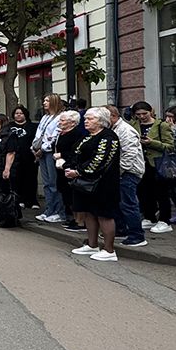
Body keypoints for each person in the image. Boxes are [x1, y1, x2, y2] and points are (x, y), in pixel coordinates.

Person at [66, 107, 122, 261]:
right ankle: (92, 245)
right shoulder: (88, 136)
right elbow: (76, 153)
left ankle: (109, 250)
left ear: (101, 121)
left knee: (104, 214)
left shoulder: (108, 137)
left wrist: (78, 172)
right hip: (86, 184)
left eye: (90, 119)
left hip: (103, 183)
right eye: (86, 118)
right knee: (89, 212)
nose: (86, 121)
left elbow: (100, 160)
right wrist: (68, 166)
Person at [129, 101, 175, 235]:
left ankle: (165, 220)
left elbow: (170, 146)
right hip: (140, 163)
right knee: (143, 191)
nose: (142, 117)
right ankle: (149, 216)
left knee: (161, 192)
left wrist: (152, 142)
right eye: (138, 114)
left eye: (145, 113)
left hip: (158, 163)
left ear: (151, 112)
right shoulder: (133, 125)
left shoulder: (161, 125)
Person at [107, 105, 147, 247]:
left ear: (112, 116)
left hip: (129, 172)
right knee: (119, 202)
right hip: (122, 172)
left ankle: (137, 235)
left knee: (128, 204)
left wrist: (118, 171)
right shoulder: (115, 129)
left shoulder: (125, 130)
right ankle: (121, 229)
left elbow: (129, 154)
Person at [32, 94, 67, 224]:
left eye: (47, 100)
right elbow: (39, 134)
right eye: (44, 100)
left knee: (54, 183)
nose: (44, 103)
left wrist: (43, 149)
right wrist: (34, 148)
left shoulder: (60, 118)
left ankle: (59, 211)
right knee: (47, 183)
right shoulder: (45, 117)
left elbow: (55, 136)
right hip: (41, 152)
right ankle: (49, 209)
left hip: (50, 152)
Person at [52, 110, 84, 232]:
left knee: (73, 194)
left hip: (72, 167)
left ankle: (80, 221)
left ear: (72, 122)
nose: (60, 122)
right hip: (61, 167)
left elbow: (76, 151)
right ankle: (73, 218)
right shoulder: (61, 133)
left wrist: (62, 154)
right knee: (65, 192)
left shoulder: (77, 134)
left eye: (63, 120)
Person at [10, 106, 39, 209]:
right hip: (15, 157)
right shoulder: (9, 126)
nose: (18, 115)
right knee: (17, 178)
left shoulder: (32, 127)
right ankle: (19, 199)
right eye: (16, 113)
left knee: (31, 178)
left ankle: (32, 200)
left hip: (30, 157)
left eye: (21, 113)